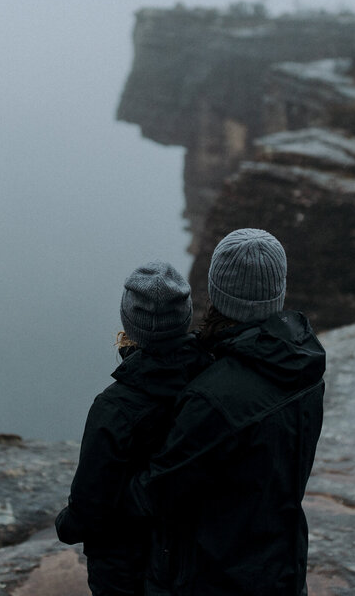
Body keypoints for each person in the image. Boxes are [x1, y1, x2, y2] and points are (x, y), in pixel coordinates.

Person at [129, 228, 326, 596]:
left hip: (218, 577)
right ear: (277, 292)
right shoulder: (305, 366)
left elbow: (157, 492)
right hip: (283, 565)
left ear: (216, 293)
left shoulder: (214, 397)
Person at [56, 261, 212, 596]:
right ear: (185, 318)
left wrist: (65, 525)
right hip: (192, 558)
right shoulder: (212, 380)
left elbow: (89, 507)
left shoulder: (114, 408)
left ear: (129, 322)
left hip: (123, 572)